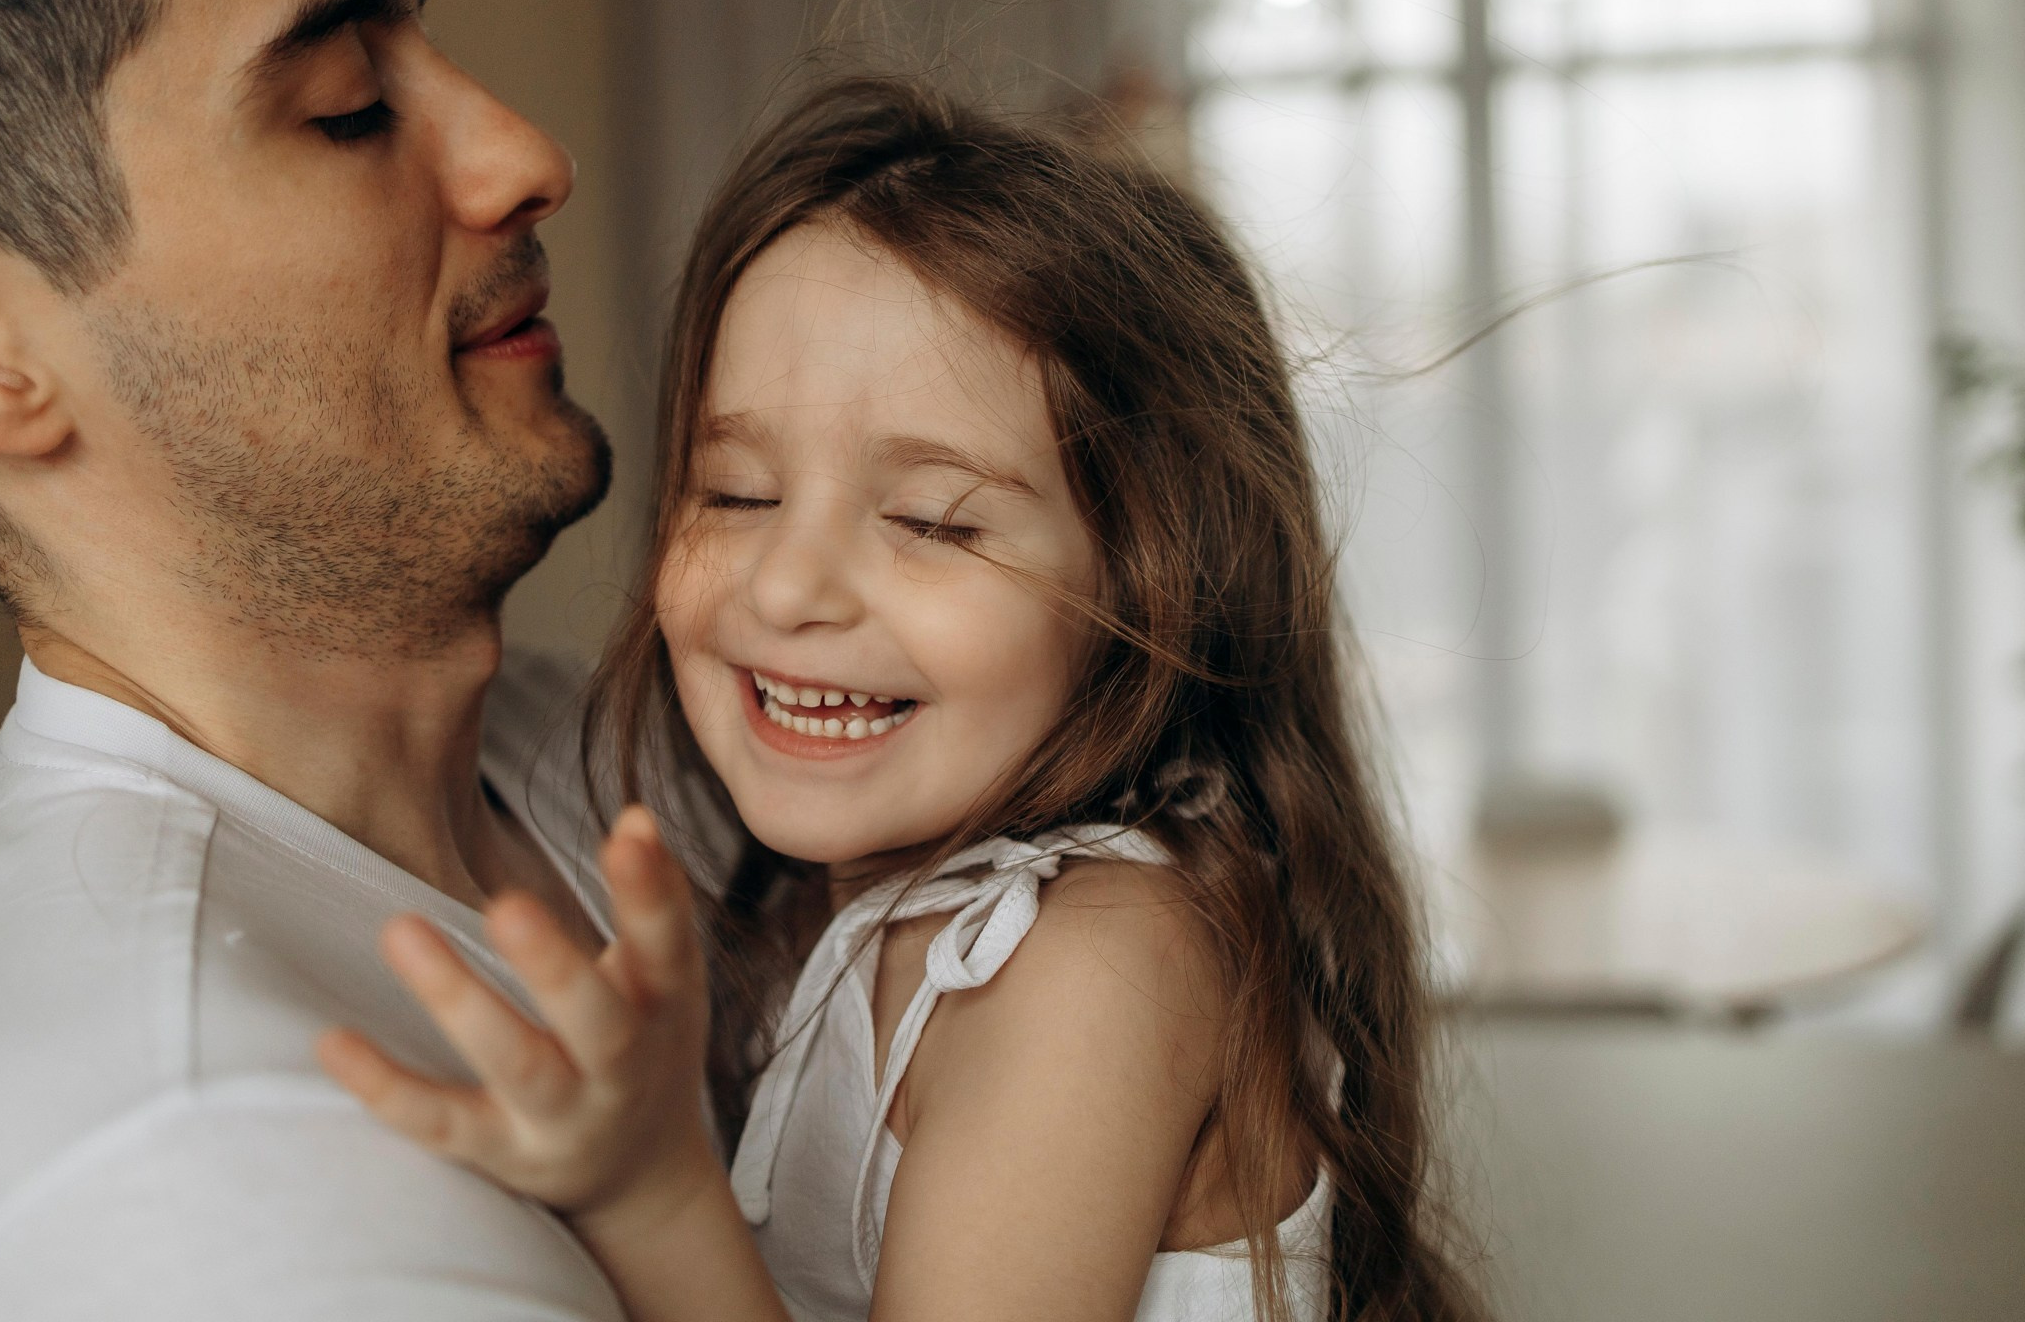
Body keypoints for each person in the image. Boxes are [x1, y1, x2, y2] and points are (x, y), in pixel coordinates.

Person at [322, 78, 1488, 1321]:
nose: (791, 585)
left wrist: (651, 1191)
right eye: (736, 493)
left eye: (932, 521)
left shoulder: (1100, 959)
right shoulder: (797, 915)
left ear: (1152, 589)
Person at [0, 0, 630, 1316]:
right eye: (343, 104)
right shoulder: (212, 1192)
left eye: (425, 42)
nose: (526, 154)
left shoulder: (589, 754)